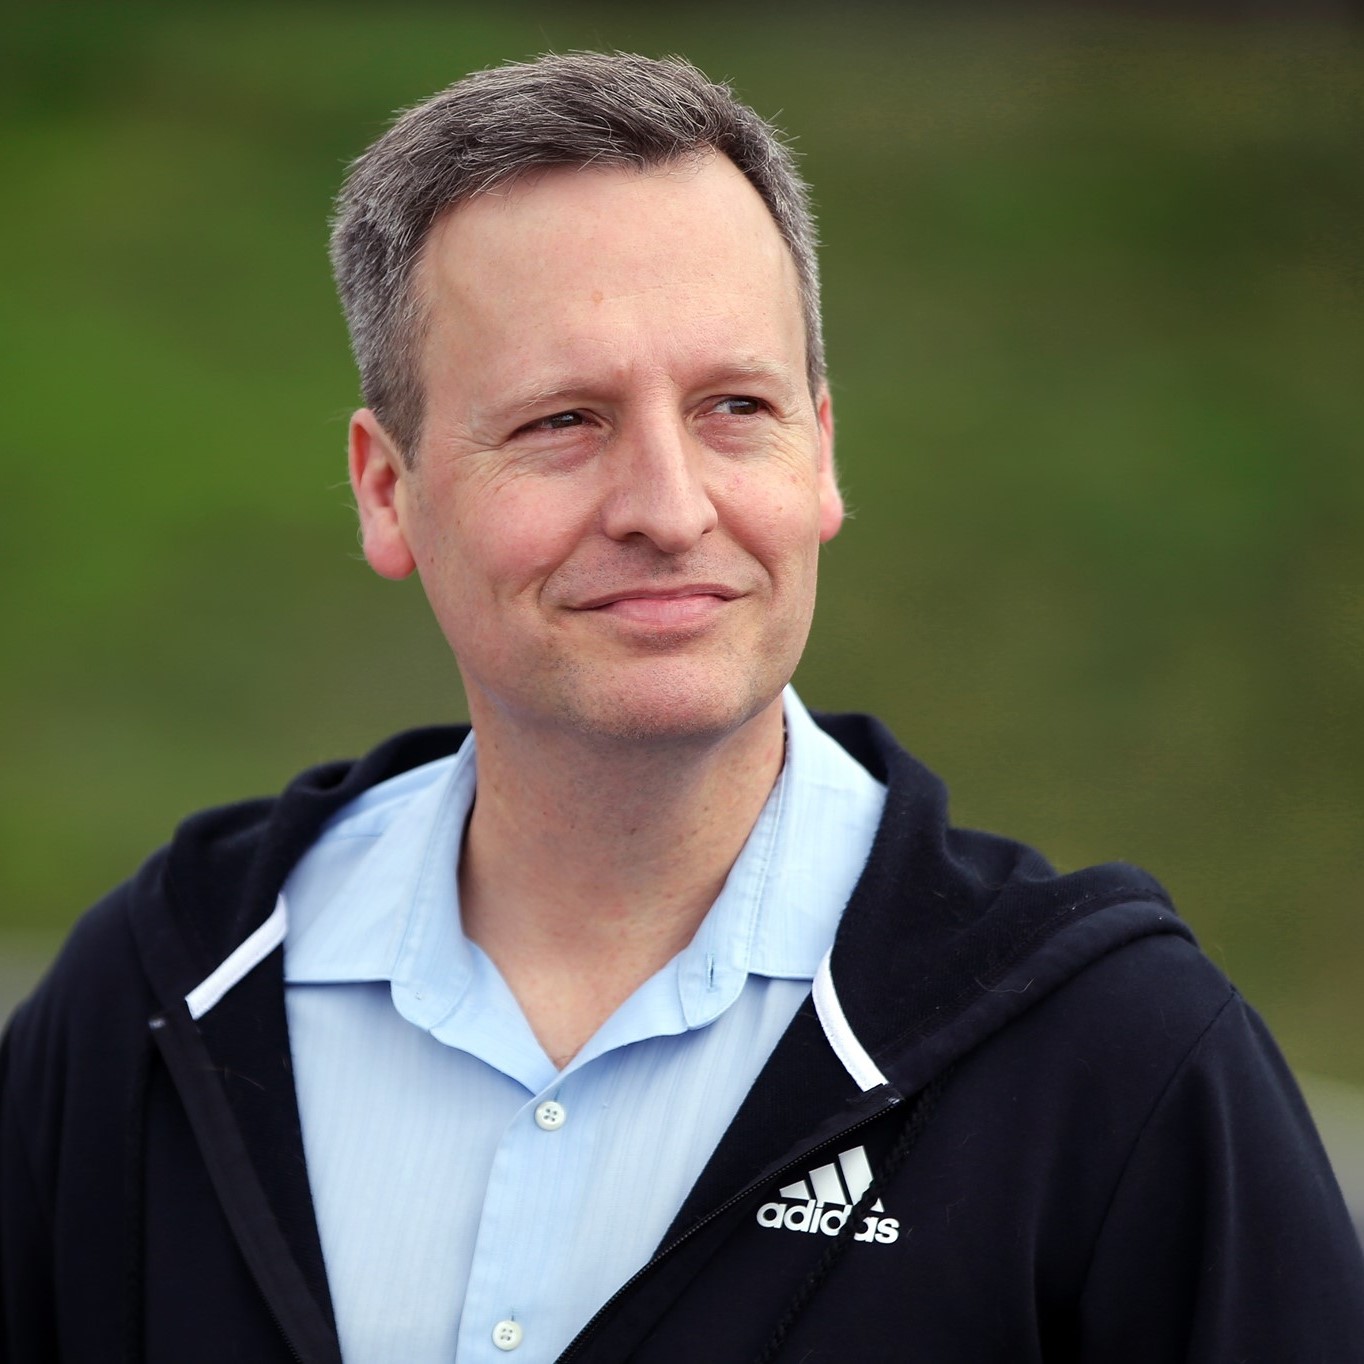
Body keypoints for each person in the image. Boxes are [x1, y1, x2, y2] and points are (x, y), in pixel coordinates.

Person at [2, 51, 1361, 1364]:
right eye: (562, 422)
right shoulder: (152, 1003)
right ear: (384, 487)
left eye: (732, 406)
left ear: (820, 453)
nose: (666, 507)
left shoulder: (1114, 1069)